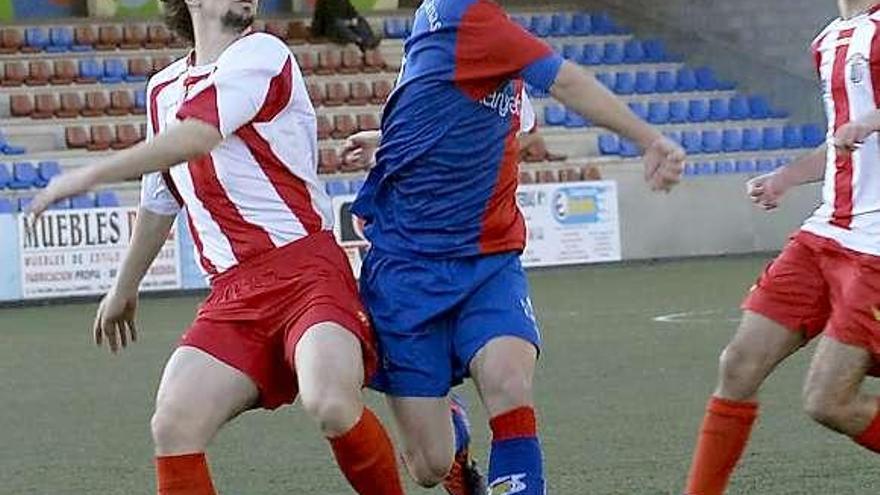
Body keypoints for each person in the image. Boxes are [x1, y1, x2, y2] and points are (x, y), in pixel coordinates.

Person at [29, 0, 405, 493]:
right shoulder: (161, 90)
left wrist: (91, 174)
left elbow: (198, 136)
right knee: (173, 423)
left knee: (330, 401)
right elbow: (161, 198)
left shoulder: (264, 55)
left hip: (307, 273)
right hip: (233, 294)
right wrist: (124, 287)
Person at [340, 1, 685, 493]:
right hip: (406, 269)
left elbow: (443, 104)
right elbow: (567, 82)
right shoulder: (462, 15)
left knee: (508, 380)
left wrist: (390, 140)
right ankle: (452, 431)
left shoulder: (491, 42)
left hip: (488, 260)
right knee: (428, 466)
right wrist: (649, 139)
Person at [683, 2, 880, 494]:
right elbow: (841, 140)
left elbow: (863, 126)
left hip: (876, 246)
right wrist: (785, 178)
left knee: (828, 401)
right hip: (825, 233)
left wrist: (873, 120)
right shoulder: (829, 38)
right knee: (738, 364)